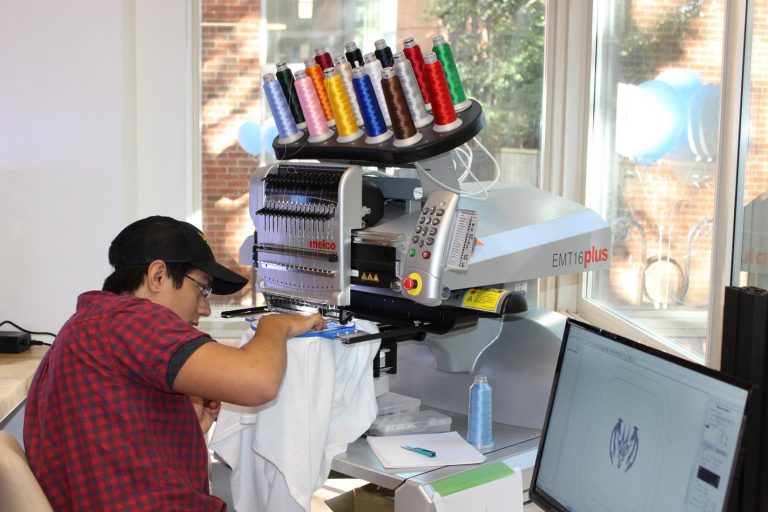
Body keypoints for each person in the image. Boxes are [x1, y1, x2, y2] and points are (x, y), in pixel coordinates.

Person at [23, 215, 325, 511]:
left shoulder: (88, 325)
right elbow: (260, 381)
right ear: (158, 276)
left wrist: (188, 424)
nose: (205, 309)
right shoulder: (129, 318)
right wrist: (275, 325)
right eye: (202, 289)